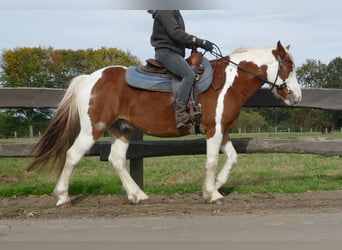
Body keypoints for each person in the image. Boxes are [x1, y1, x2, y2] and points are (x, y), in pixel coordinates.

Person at [148, 10, 215, 129]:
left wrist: (195, 45)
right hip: (166, 52)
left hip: (174, 53)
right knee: (189, 75)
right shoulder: (166, 10)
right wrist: (200, 42)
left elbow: (178, 38)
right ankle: (180, 112)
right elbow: (176, 33)